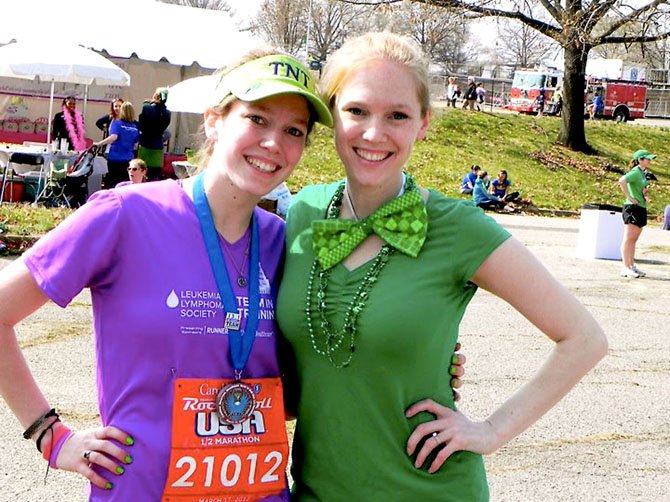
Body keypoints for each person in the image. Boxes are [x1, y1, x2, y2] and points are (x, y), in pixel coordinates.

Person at [276, 31, 607, 500]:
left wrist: (491, 430)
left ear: (423, 124)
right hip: (317, 490)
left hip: (429, 490)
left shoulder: (458, 229)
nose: (374, 133)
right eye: (357, 111)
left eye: (397, 115)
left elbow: (585, 339)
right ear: (331, 114)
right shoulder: (302, 213)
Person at [0, 47, 333, 501]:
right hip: (142, 490)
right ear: (215, 119)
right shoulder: (125, 215)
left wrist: (426, 361)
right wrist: (49, 435)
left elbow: (297, 394)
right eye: (257, 119)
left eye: (293, 130)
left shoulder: (286, 243)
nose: (274, 142)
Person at [618, 149, 655, 278]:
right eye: (647, 159)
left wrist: (645, 196)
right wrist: (630, 197)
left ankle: (632, 265)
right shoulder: (634, 172)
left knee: (634, 239)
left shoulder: (643, 173)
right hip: (632, 208)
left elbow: (642, 188)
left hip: (641, 207)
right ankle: (625, 267)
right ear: (640, 160)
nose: (650, 161)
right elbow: (622, 180)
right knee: (628, 238)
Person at [93, 102, 140, 189]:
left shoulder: (116, 123)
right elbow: (136, 141)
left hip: (115, 158)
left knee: (112, 182)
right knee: (124, 183)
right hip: (128, 158)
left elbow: (113, 137)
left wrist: (99, 144)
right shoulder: (135, 126)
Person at [138, 88, 171, 181]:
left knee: (141, 173)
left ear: (156, 95)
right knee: (154, 176)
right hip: (158, 146)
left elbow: (142, 124)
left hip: (146, 145)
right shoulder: (168, 113)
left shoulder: (147, 108)